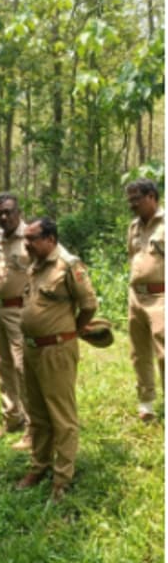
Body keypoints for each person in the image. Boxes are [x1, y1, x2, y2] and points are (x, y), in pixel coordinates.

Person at [14, 217, 98, 503]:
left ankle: (62, 479)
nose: (26, 244)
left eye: (32, 238)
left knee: (61, 416)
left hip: (57, 350)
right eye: (25, 239)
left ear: (50, 239)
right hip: (32, 349)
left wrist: (73, 330)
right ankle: (39, 466)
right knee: (37, 414)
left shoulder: (68, 265)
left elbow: (89, 305)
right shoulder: (35, 264)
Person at [0, 192, 32, 448]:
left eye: (9, 212)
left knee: (23, 367)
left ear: (18, 212)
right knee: (3, 365)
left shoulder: (31, 236)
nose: (4, 217)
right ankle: (12, 418)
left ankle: (34, 429)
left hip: (20, 311)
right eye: (0, 213)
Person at [125, 178, 164, 422]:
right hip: (136, 296)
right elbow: (133, 257)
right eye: (129, 200)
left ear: (151, 197)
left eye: (136, 199)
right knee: (139, 352)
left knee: (164, 353)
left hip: (162, 296)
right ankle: (146, 404)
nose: (132, 204)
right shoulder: (134, 227)